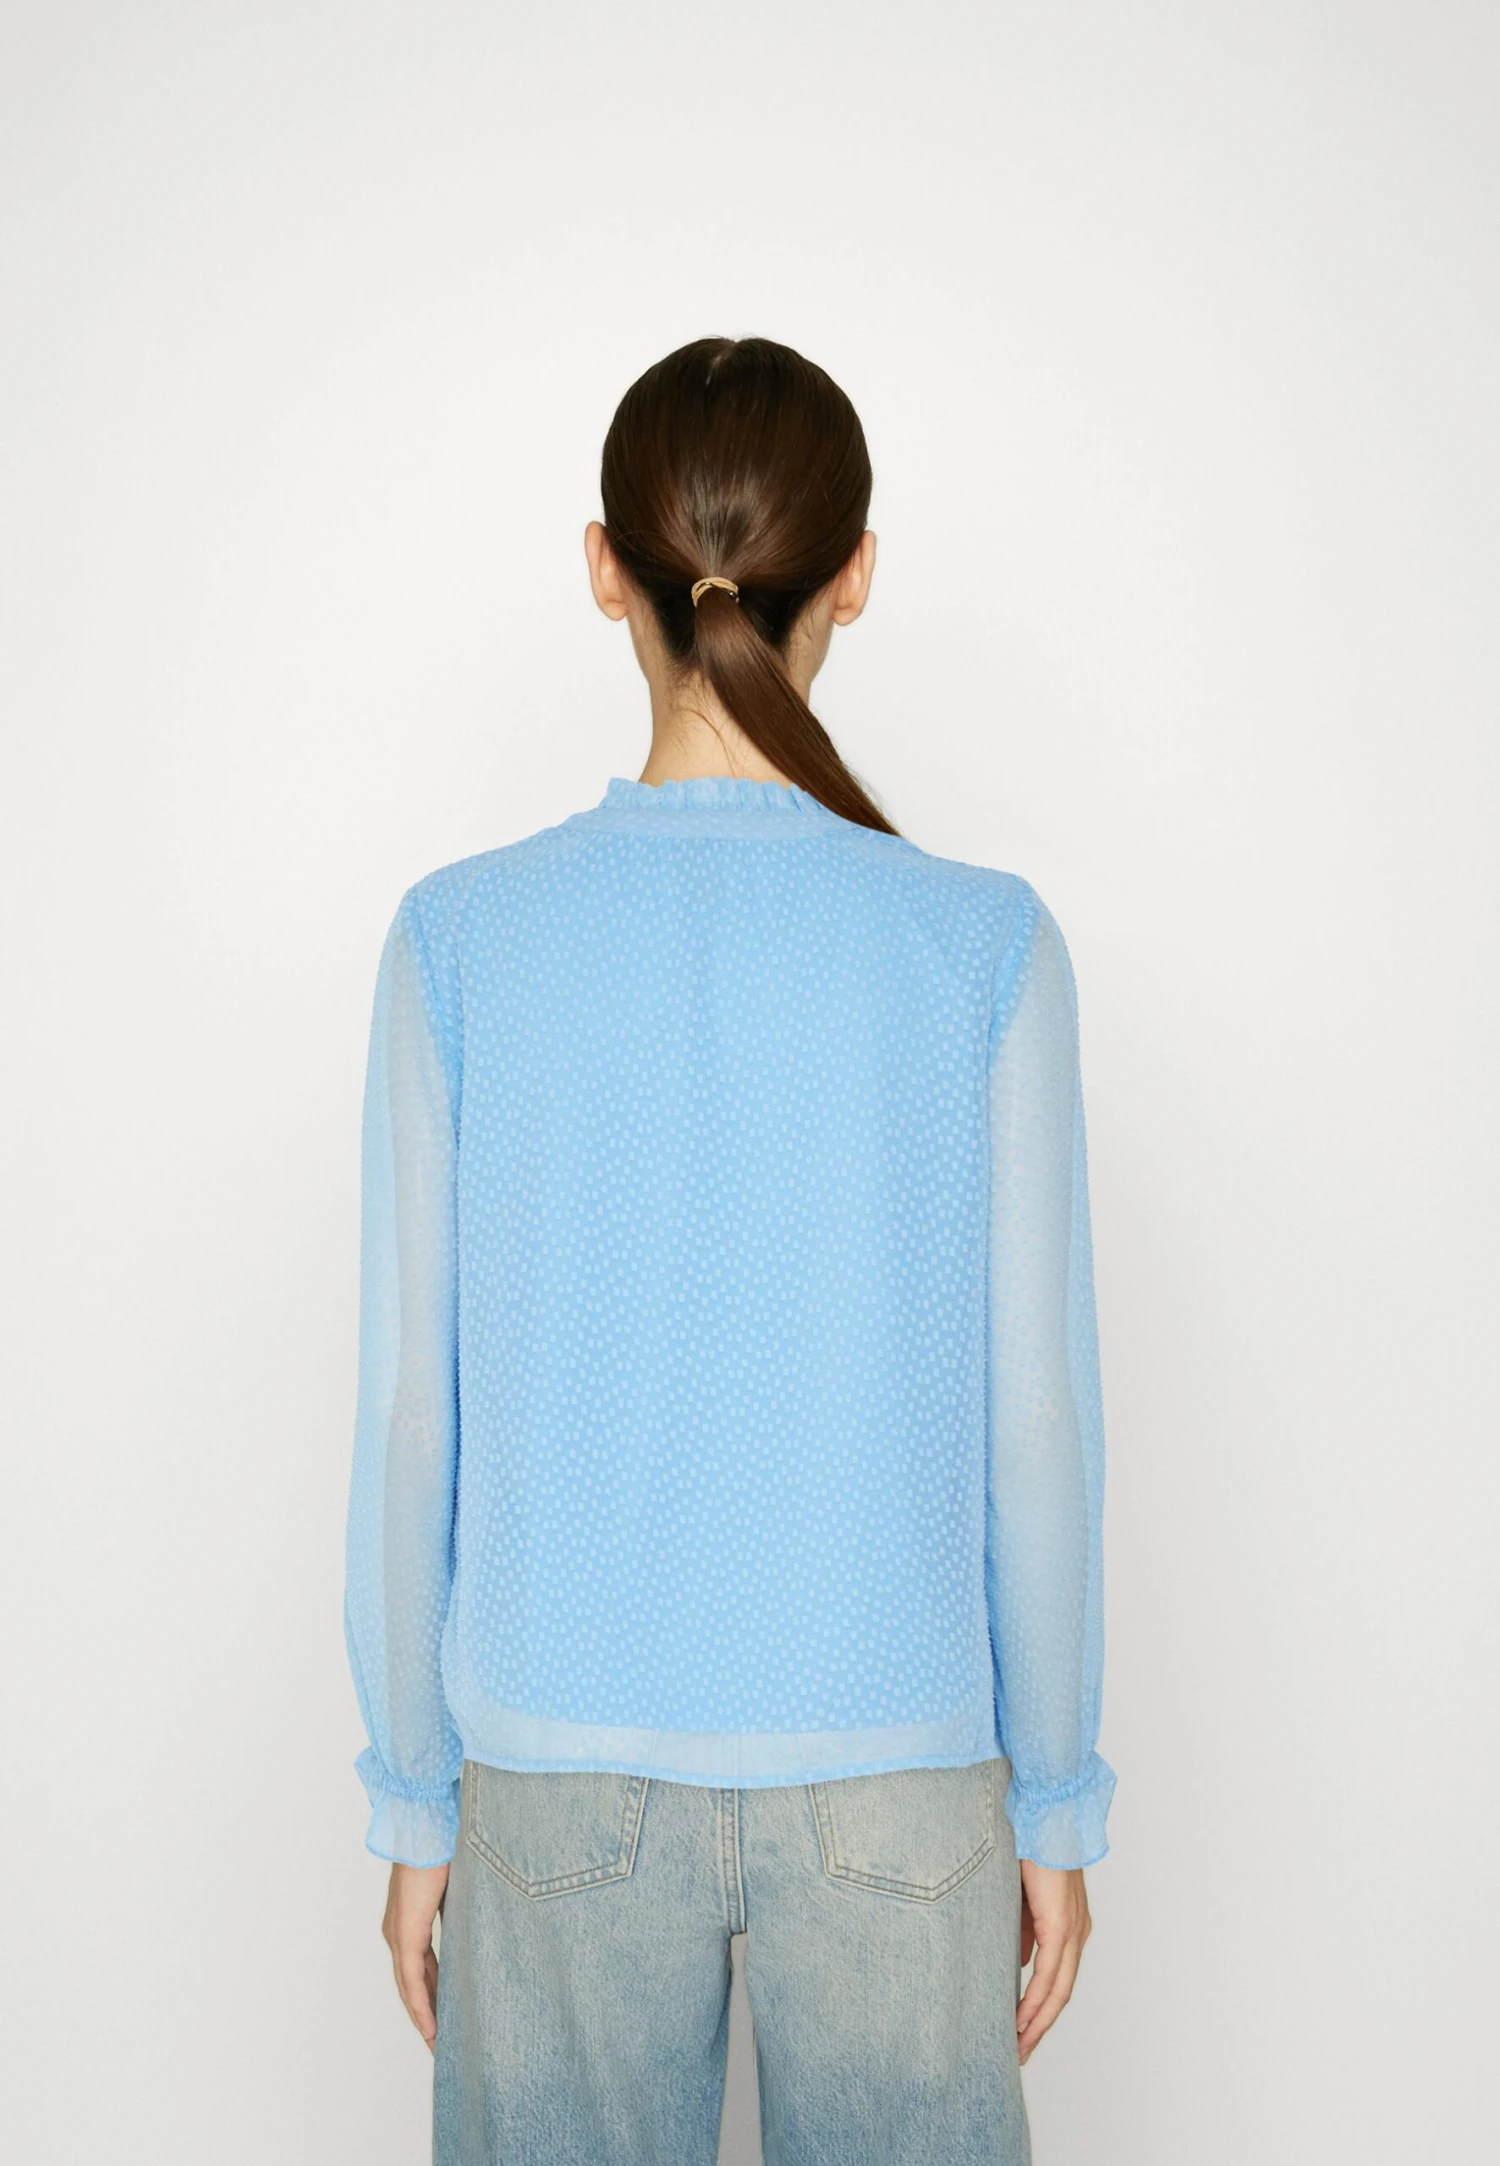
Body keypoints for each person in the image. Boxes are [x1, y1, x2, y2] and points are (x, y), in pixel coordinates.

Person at [343, 335, 1116, 2165]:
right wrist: (1058, 1803)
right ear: (856, 571)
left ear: (602, 567)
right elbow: (1038, 1430)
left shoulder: (459, 938)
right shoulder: (986, 945)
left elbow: (409, 1415)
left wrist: (413, 1797)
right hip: (899, 1772)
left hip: (554, 1767)